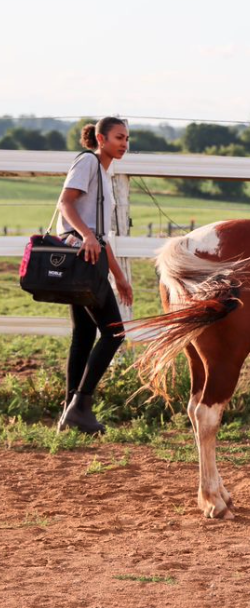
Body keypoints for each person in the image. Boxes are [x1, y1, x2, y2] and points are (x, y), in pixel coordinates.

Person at [55, 117, 133, 434]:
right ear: (100, 138)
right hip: (82, 259)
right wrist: (86, 235)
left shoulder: (103, 172)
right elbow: (65, 203)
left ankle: (70, 414)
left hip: (90, 257)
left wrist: (120, 277)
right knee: (114, 333)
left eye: (127, 138)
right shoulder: (87, 162)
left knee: (85, 335)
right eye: (118, 137)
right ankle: (80, 407)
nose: (124, 144)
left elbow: (102, 237)